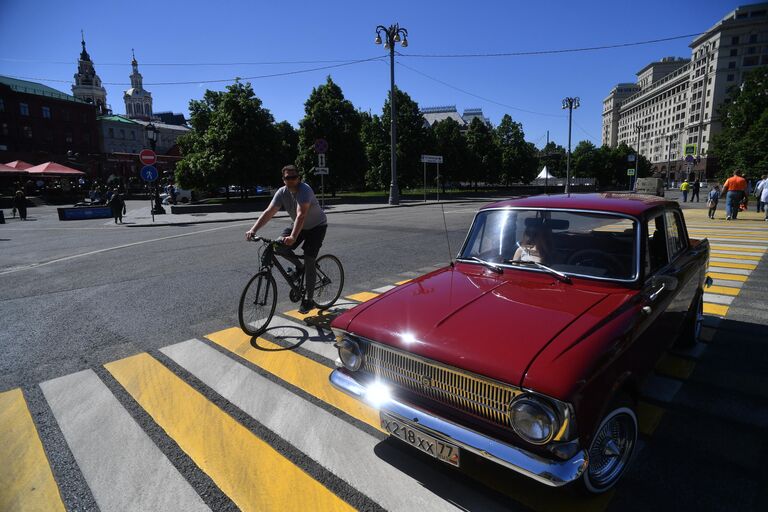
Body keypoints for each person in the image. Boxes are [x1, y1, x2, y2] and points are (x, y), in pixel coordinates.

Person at [245, 165, 328, 314]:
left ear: (299, 178)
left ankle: (309, 300)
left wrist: (293, 237)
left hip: (317, 226)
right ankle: (299, 267)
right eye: (287, 177)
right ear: (283, 179)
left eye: (294, 177)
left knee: (309, 259)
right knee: (278, 246)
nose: (291, 180)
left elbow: (301, 214)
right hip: (299, 225)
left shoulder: (305, 190)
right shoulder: (282, 192)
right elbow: (269, 212)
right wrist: (253, 230)